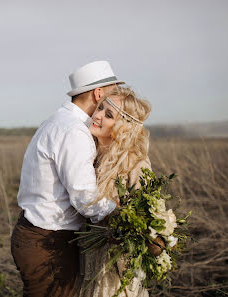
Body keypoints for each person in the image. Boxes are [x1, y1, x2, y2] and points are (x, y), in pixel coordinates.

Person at [11, 61, 125, 297]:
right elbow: (85, 198)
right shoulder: (74, 132)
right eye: (114, 92)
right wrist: (122, 215)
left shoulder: (60, 121)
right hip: (48, 241)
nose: (118, 98)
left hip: (39, 235)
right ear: (98, 93)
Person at [79, 86, 152, 297]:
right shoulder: (89, 155)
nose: (98, 115)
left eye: (108, 114)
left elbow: (144, 219)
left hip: (116, 267)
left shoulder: (134, 164)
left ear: (123, 127)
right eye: (100, 107)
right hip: (88, 259)